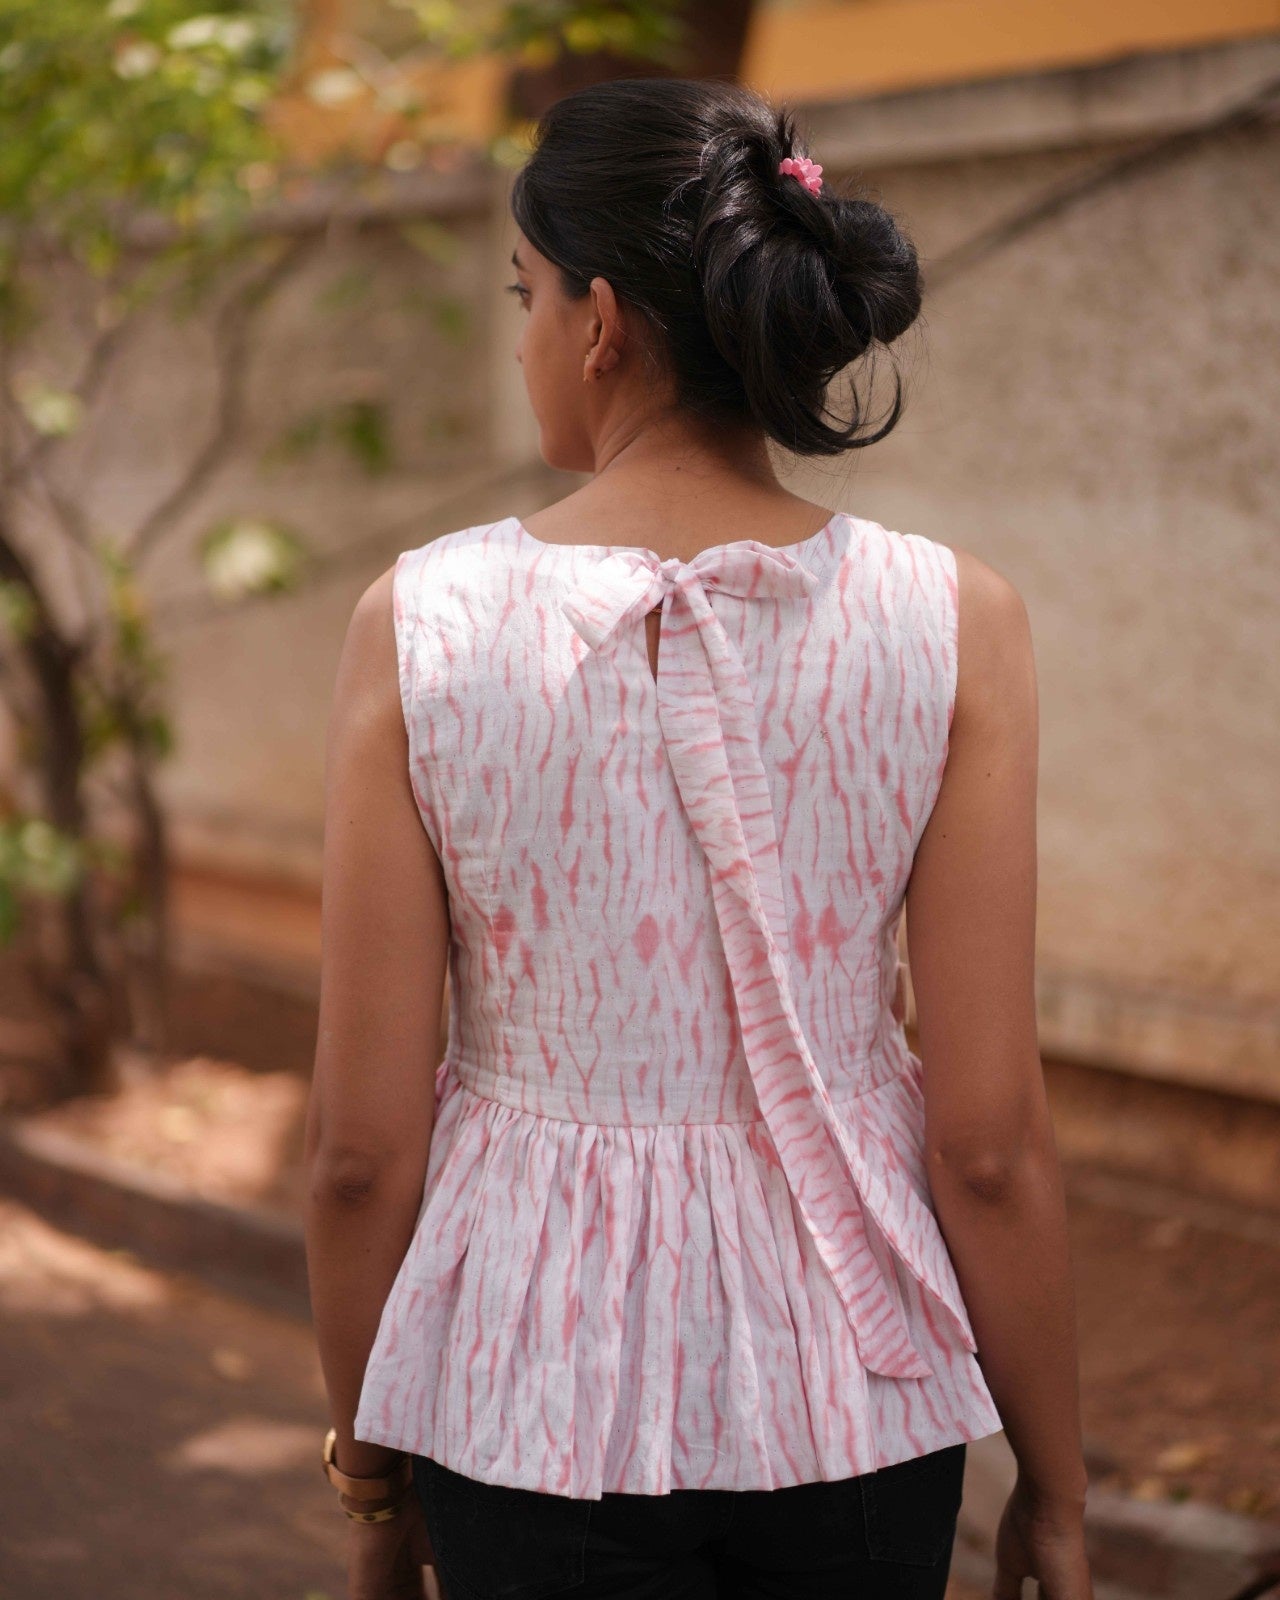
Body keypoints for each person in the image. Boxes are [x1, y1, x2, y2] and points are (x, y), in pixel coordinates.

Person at [304, 75, 1095, 1600]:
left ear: (599, 324)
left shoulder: (422, 625)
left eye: (525, 296)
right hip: (858, 1393)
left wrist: (372, 1476)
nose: (523, 340)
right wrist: (1056, 1490)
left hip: (523, 1392)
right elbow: (990, 1145)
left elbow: (358, 1153)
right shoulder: (956, 622)